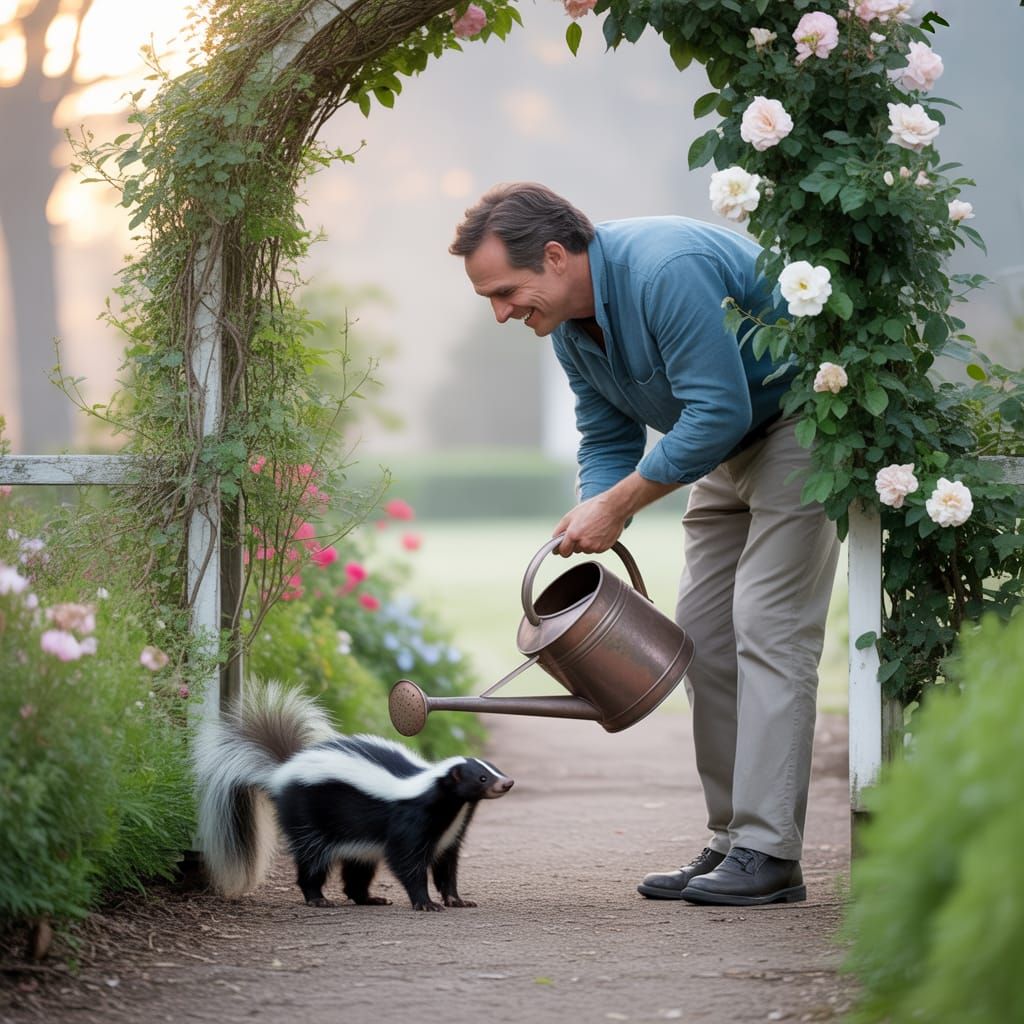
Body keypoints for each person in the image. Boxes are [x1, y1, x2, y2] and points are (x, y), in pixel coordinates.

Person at [449, 182, 840, 908]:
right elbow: (607, 438)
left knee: (769, 627)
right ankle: (732, 842)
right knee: (701, 637)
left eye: (505, 292)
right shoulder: (569, 327)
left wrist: (624, 501)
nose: (502, 312)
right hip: (722, 448)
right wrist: (594, 509)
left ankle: (770, 851)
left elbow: (718, 405)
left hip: (798, 423)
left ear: (558, 256)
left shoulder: (665, 269)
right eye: (490, 300)